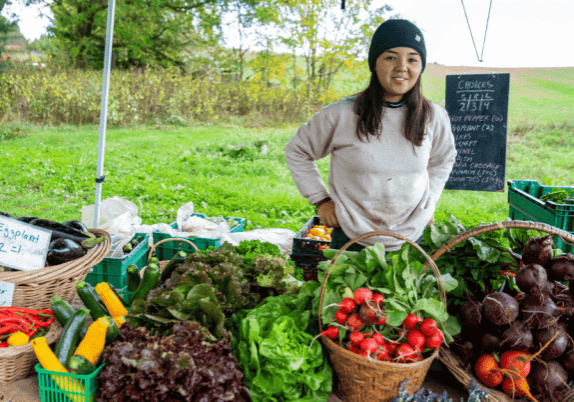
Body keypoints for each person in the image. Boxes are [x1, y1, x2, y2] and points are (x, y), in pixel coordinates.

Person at [285, 19, 457, 252]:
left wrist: (429, 202)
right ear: (374, 63)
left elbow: (443, 159)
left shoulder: (434, 116)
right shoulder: (342, 114)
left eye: (412, 59)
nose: (402, 67)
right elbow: (298, 150)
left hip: (411, 239)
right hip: (351, 238)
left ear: (421, 67)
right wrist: (321, 201)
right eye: (390, 57)